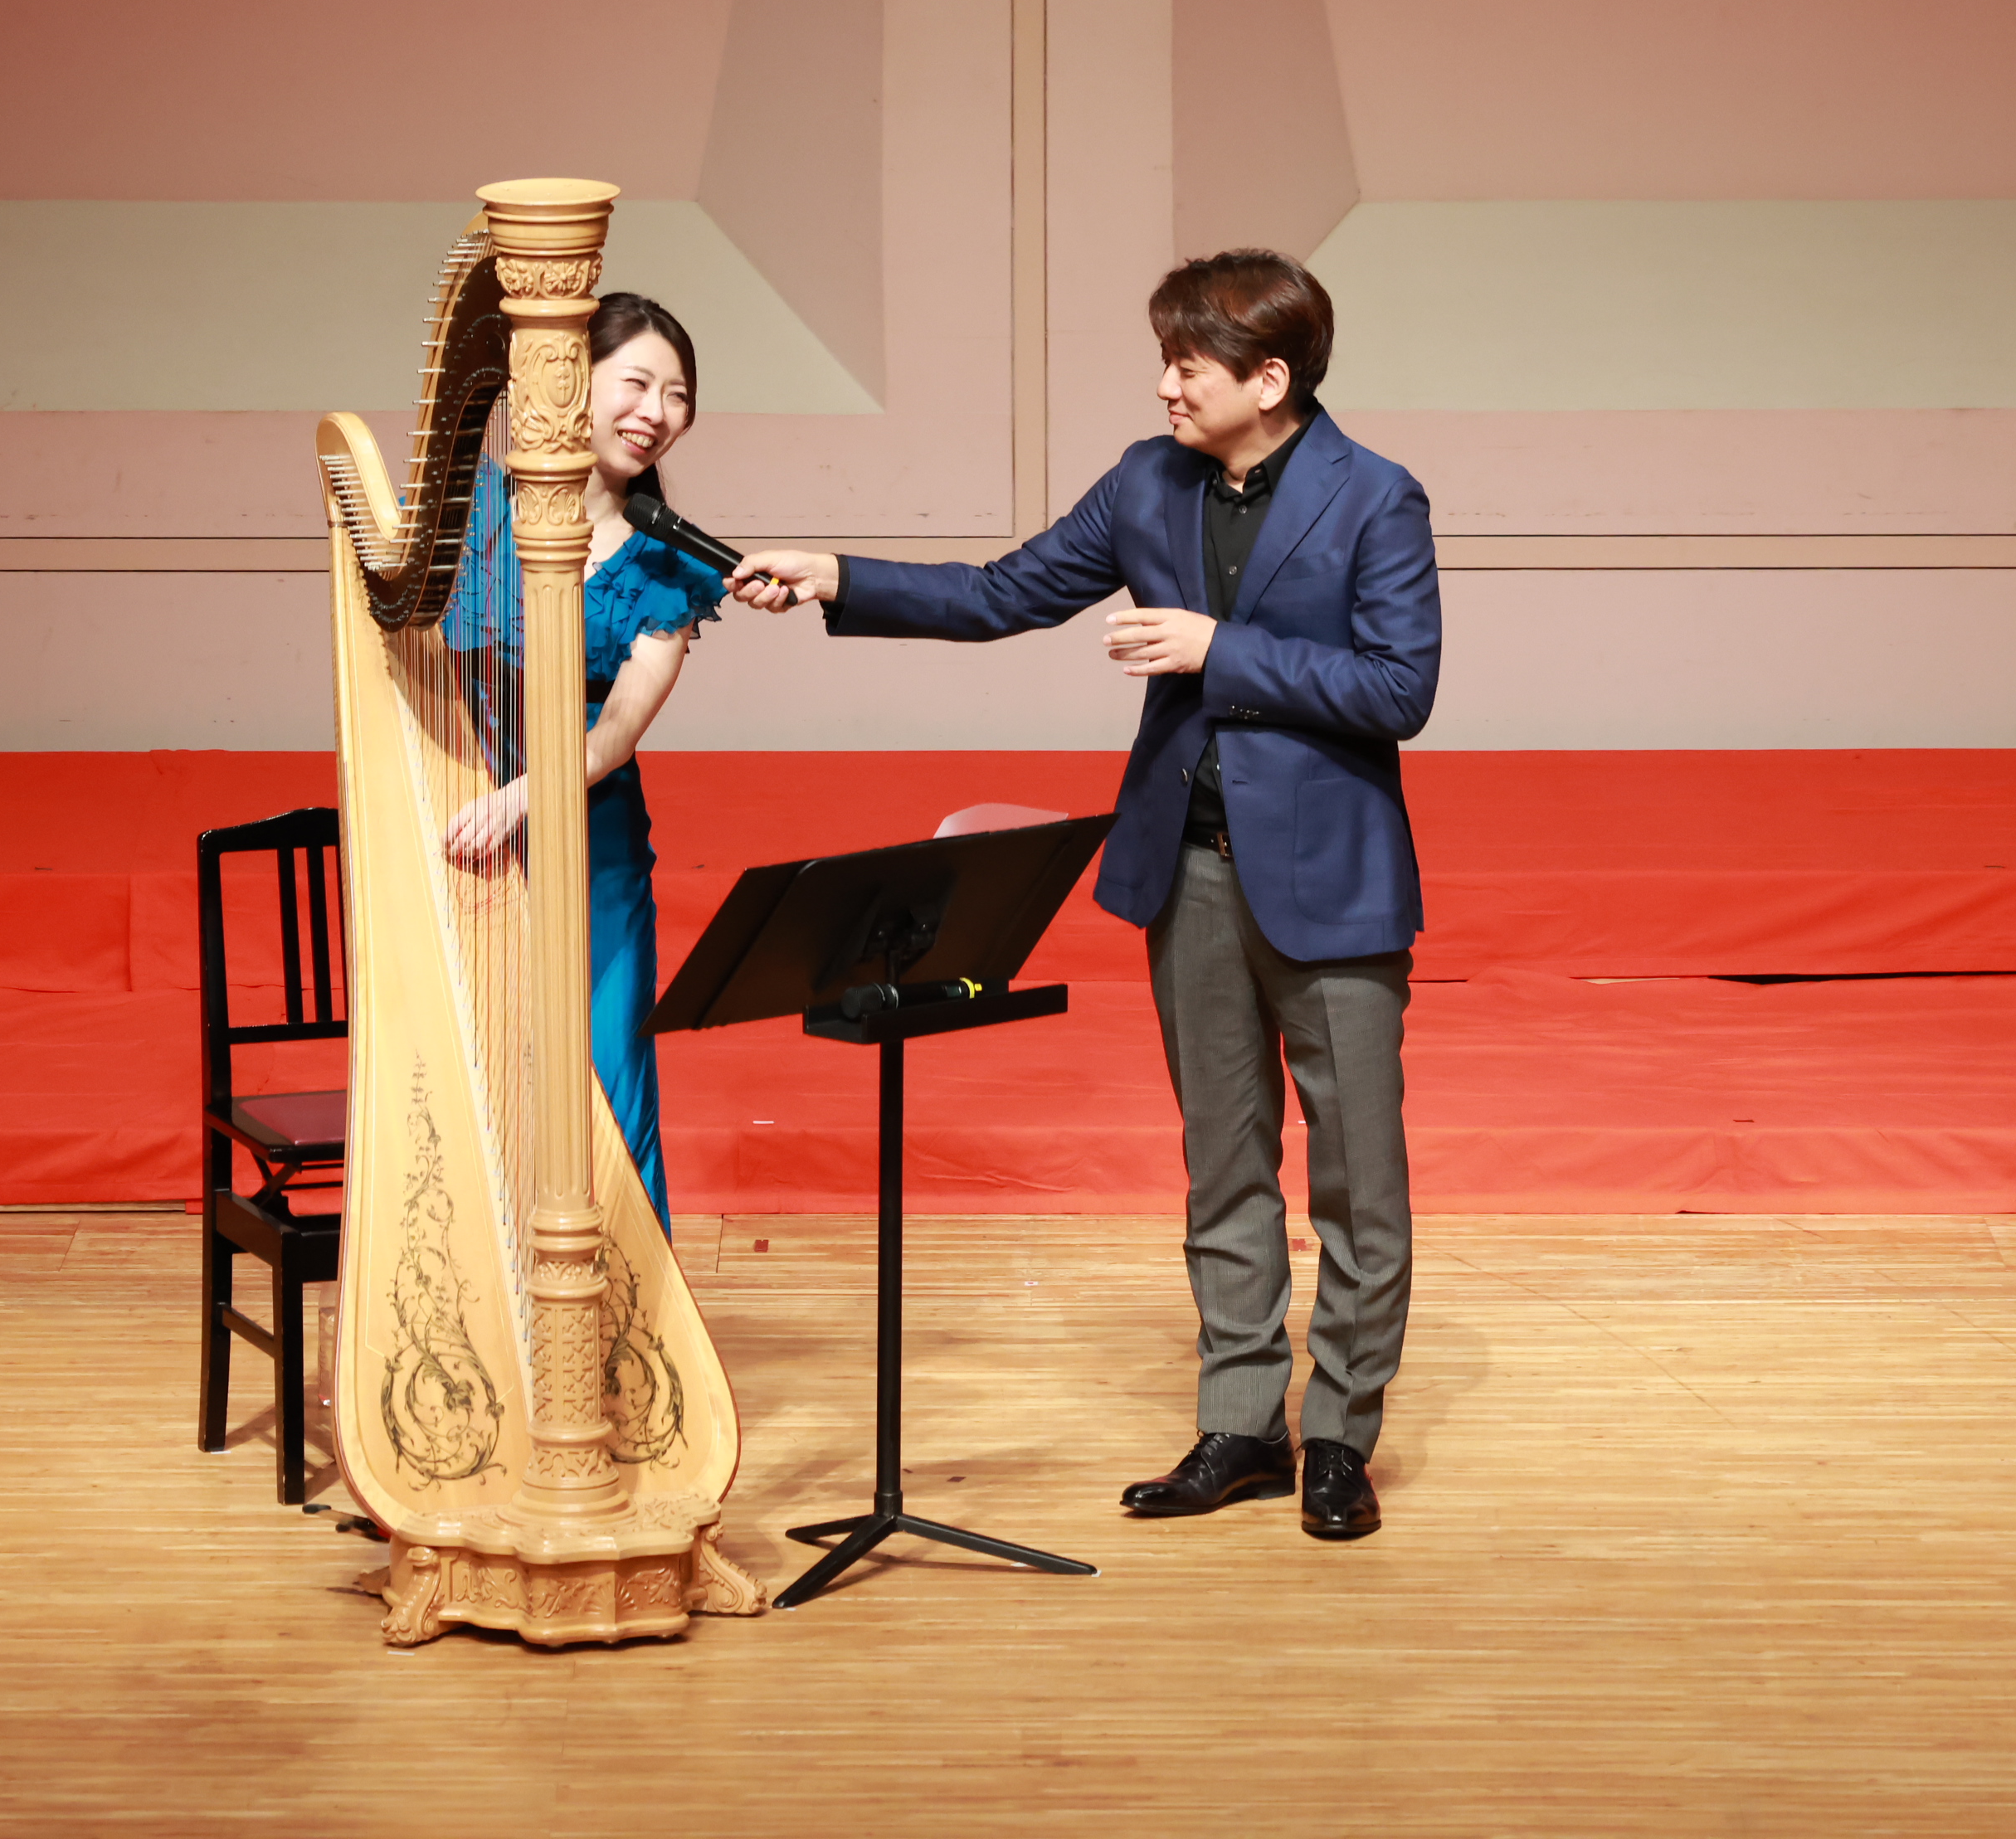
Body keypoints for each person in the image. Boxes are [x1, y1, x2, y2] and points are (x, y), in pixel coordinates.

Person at [729, 251, 1440, 1540]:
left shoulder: (1376, 496)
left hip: (1333, 886)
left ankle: (1341, 1436)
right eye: (1165, 361)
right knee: (1223, 1161)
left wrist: (1221, 649)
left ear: (1270, 379)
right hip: (1193, 875)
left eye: (1189, 364)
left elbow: (1401, 689)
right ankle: (1243, 1423)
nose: (1165, 385)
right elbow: (1000, 594)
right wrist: (838, 575)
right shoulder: (1145, 481)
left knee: (1358, 1180)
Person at [441, 291, 725, 1233]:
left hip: (591, 839)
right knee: (472, 1075)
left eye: (677, 396)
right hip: (459, 815)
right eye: (636, 383)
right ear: (572, 381)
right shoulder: (471, 514)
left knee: (611, 1076)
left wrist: (522, 798)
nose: (656, 411)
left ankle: (632, 1309)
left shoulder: (669, 568)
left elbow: (615, 735)